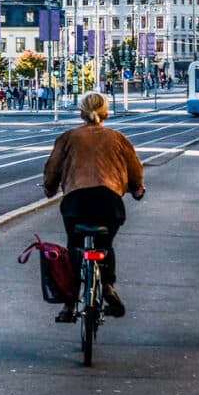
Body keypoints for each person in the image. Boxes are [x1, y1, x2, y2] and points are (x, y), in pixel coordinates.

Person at [42, 91, 145, 322]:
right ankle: (107, 286)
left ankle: (69, 305)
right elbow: (135, 169)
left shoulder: (68, 137)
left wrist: (49, 188)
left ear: (80, 113)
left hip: (76, 202)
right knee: (105, 243)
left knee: (74, 247)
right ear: (106, 113)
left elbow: (53, 169)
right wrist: (137, 188)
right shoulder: (118, 138)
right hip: (109, 203)